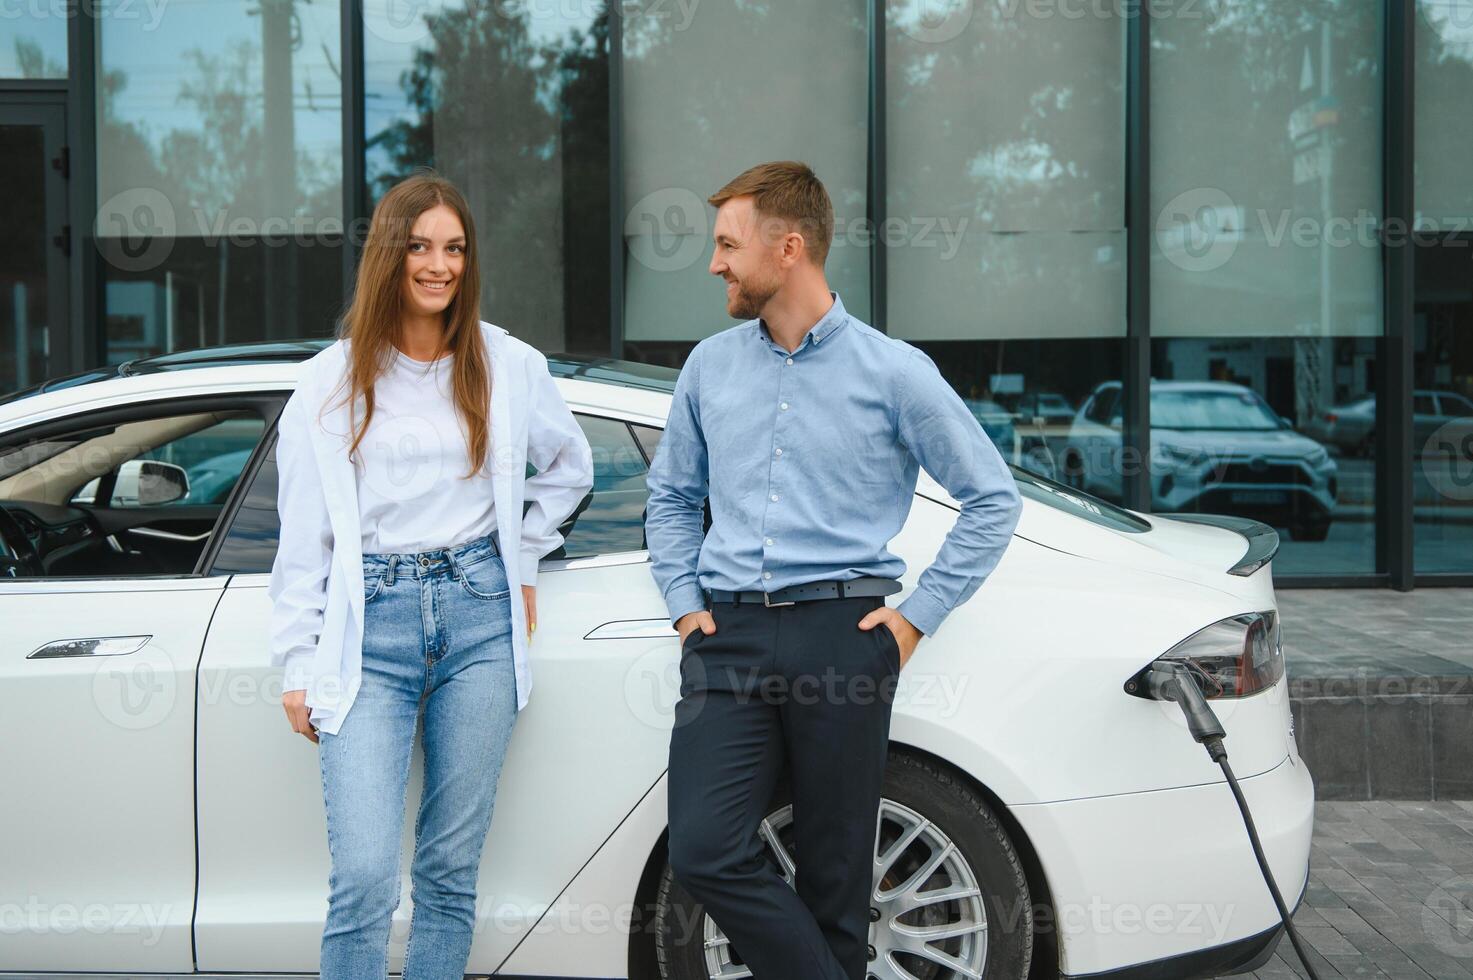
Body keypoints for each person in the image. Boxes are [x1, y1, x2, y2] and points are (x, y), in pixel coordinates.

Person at [644, 160, 1021, 979]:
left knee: (836, 880)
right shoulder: (709, 367)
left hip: (843, 639)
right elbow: (670, 498)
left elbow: (993, 499)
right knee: (705, 849)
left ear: (787, 248)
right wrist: (682, 604)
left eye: (726, 245)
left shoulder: (893, 371)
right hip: (730, 636)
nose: (714, 264)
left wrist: (915, 618)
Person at [267, 169, 593, 980]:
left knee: (448, 875)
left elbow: (569, 467)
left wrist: (519, 556)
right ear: (389, 255)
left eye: (453, 248)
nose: (438, 265)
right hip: (367, 627)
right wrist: (297, 661)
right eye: (418, 246)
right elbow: (302, 534)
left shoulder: (507, 363)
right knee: (366, 876)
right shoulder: (329, 380)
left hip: (479, 615)